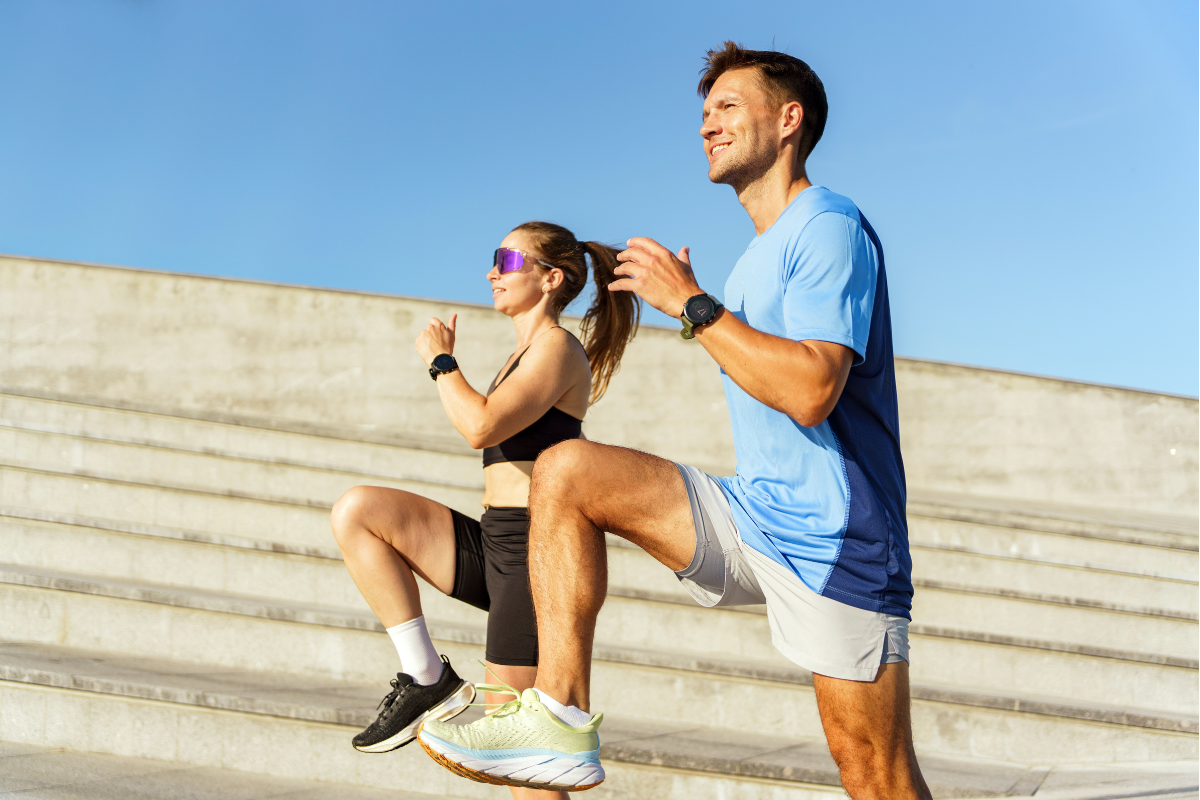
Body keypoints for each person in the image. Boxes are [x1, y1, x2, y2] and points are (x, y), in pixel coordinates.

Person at [418, 42, 932, 798]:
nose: (707, 125)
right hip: (757, 512)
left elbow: (813, 389)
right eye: (704, 113)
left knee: (873, 771)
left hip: (837, 538)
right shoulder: (756, 256)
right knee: (567, 470)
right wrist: (698, 304)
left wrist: (691, 304)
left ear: (789, 120)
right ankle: (559, 720)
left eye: (728, 107)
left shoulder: (828, 225)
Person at [330, 221, 640, 800]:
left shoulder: (557, 348)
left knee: (524, 766)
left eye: (509, 260)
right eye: (495, 259)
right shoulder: (521, 353)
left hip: (536, 555)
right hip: (495, 539)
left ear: (550, 279)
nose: (494, 272)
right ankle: (426, 676)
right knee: (359, 512)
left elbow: (480, 425)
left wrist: (442, 362)